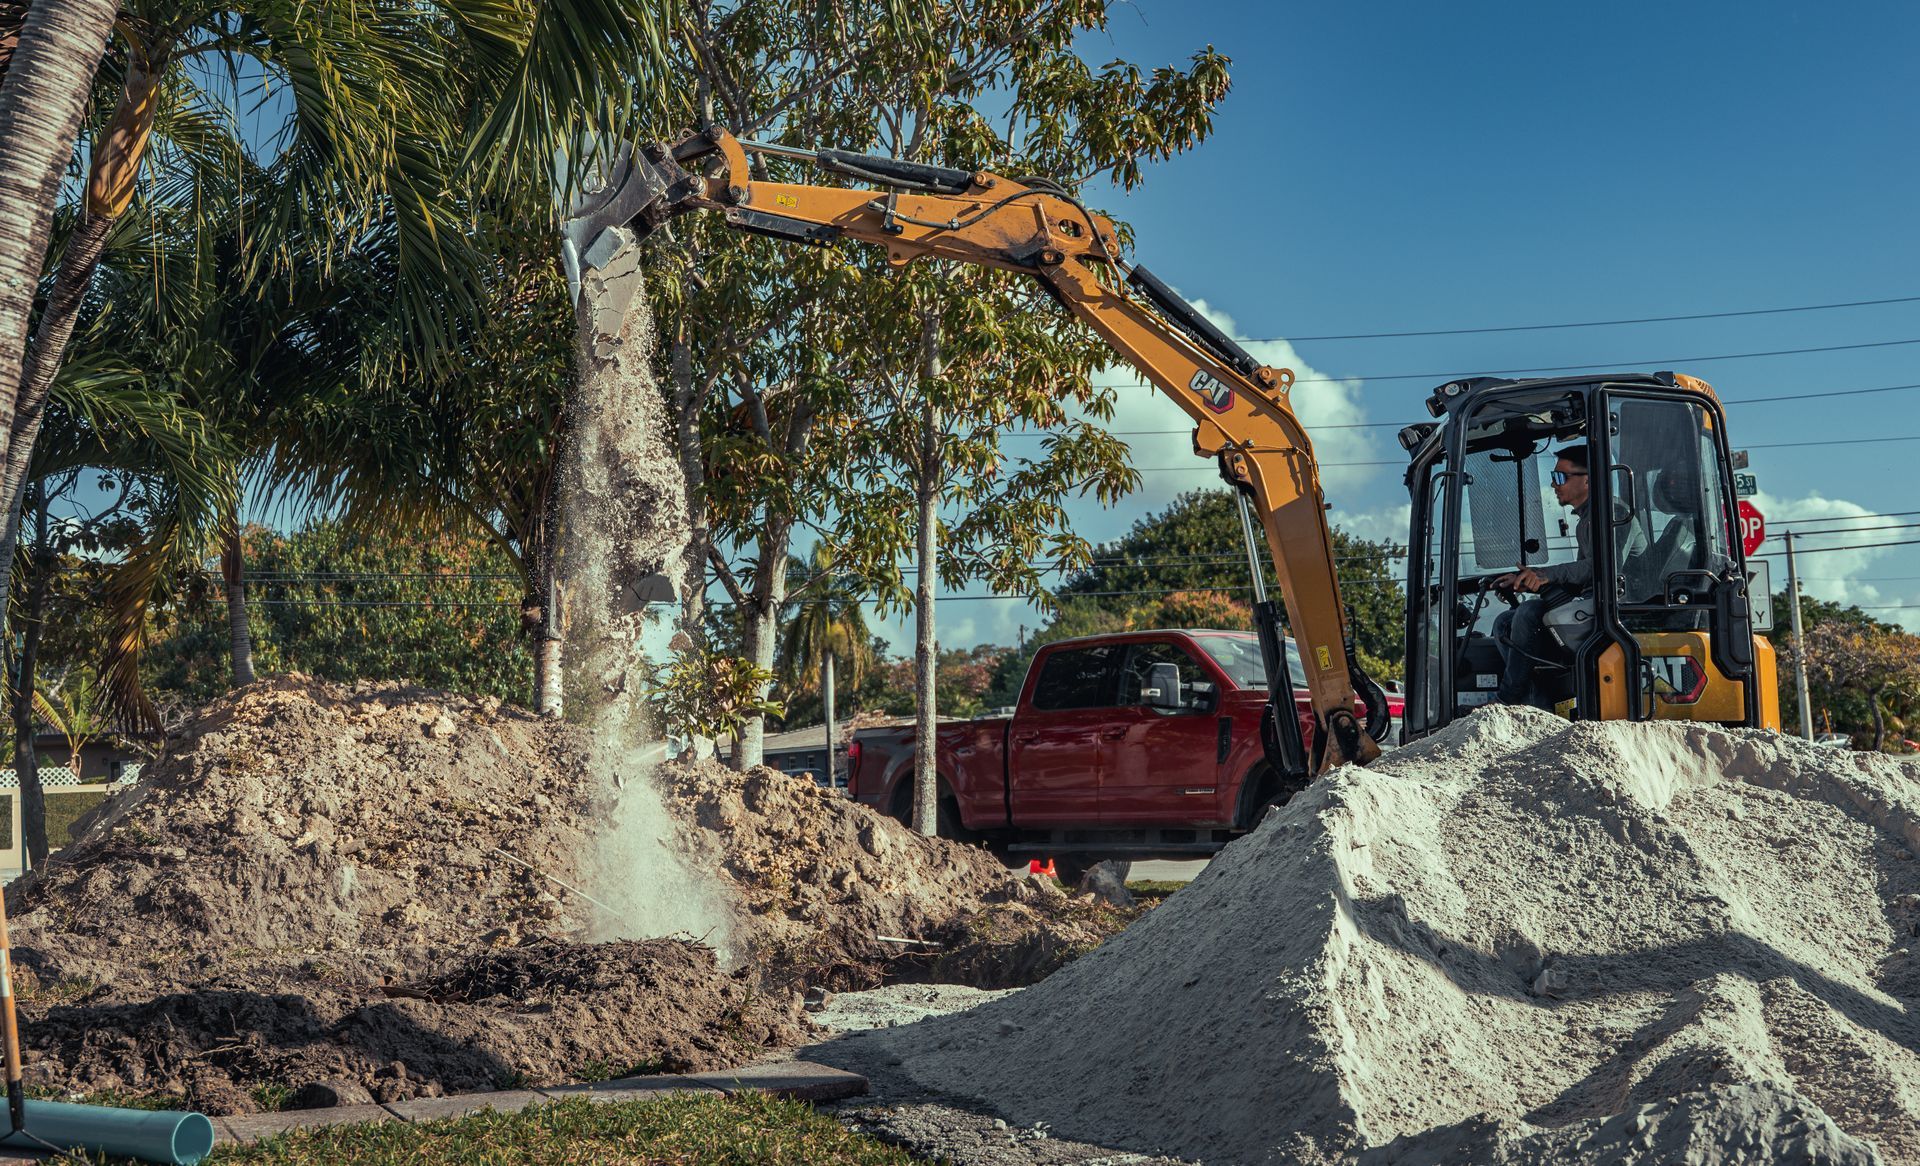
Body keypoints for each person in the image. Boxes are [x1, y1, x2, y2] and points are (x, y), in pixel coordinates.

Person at [1489, 444, 1644, 707]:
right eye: (1553, 476)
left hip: (1619, 610)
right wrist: (1530, 580)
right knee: (1506, 622)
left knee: (1528, 615)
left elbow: (1602, 568)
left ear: (1587, 480)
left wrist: (1546, 575)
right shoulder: (1587, 519)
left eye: (1560, 477)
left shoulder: (1614, 514)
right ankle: (1537, 706)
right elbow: (1582, 575)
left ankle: (1509, 701)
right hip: (1594, 602)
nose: (1553, 484)